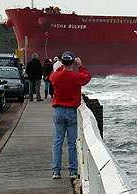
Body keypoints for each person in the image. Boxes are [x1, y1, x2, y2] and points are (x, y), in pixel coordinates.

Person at [50, 51, 91, 180]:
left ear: (62, 62)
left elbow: (52, 76)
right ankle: (72, 171)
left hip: (58, 111)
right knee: (72, 143)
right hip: (72, 112)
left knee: (57, 142)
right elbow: (86, 77)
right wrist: (80, 66)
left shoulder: (56, 76)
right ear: (73, 62)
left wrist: (62, 65)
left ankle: (56, 171)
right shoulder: (76, 77)